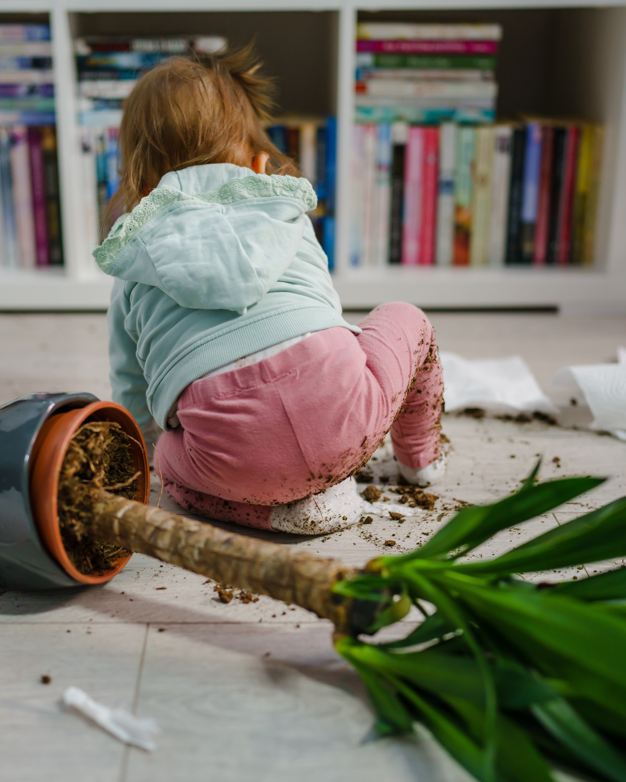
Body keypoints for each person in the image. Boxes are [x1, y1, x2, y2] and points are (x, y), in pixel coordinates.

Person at [96, 44, 447, 535]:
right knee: (404, 317)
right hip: (346, 419)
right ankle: (421, 461)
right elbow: (322, 308)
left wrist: (156, 444)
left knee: (170, 468)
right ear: (259, 164)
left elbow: (131, 386)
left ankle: (277, 512)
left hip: (230, 461)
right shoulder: (283, 208)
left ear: (139, 182)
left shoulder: (133, 257)